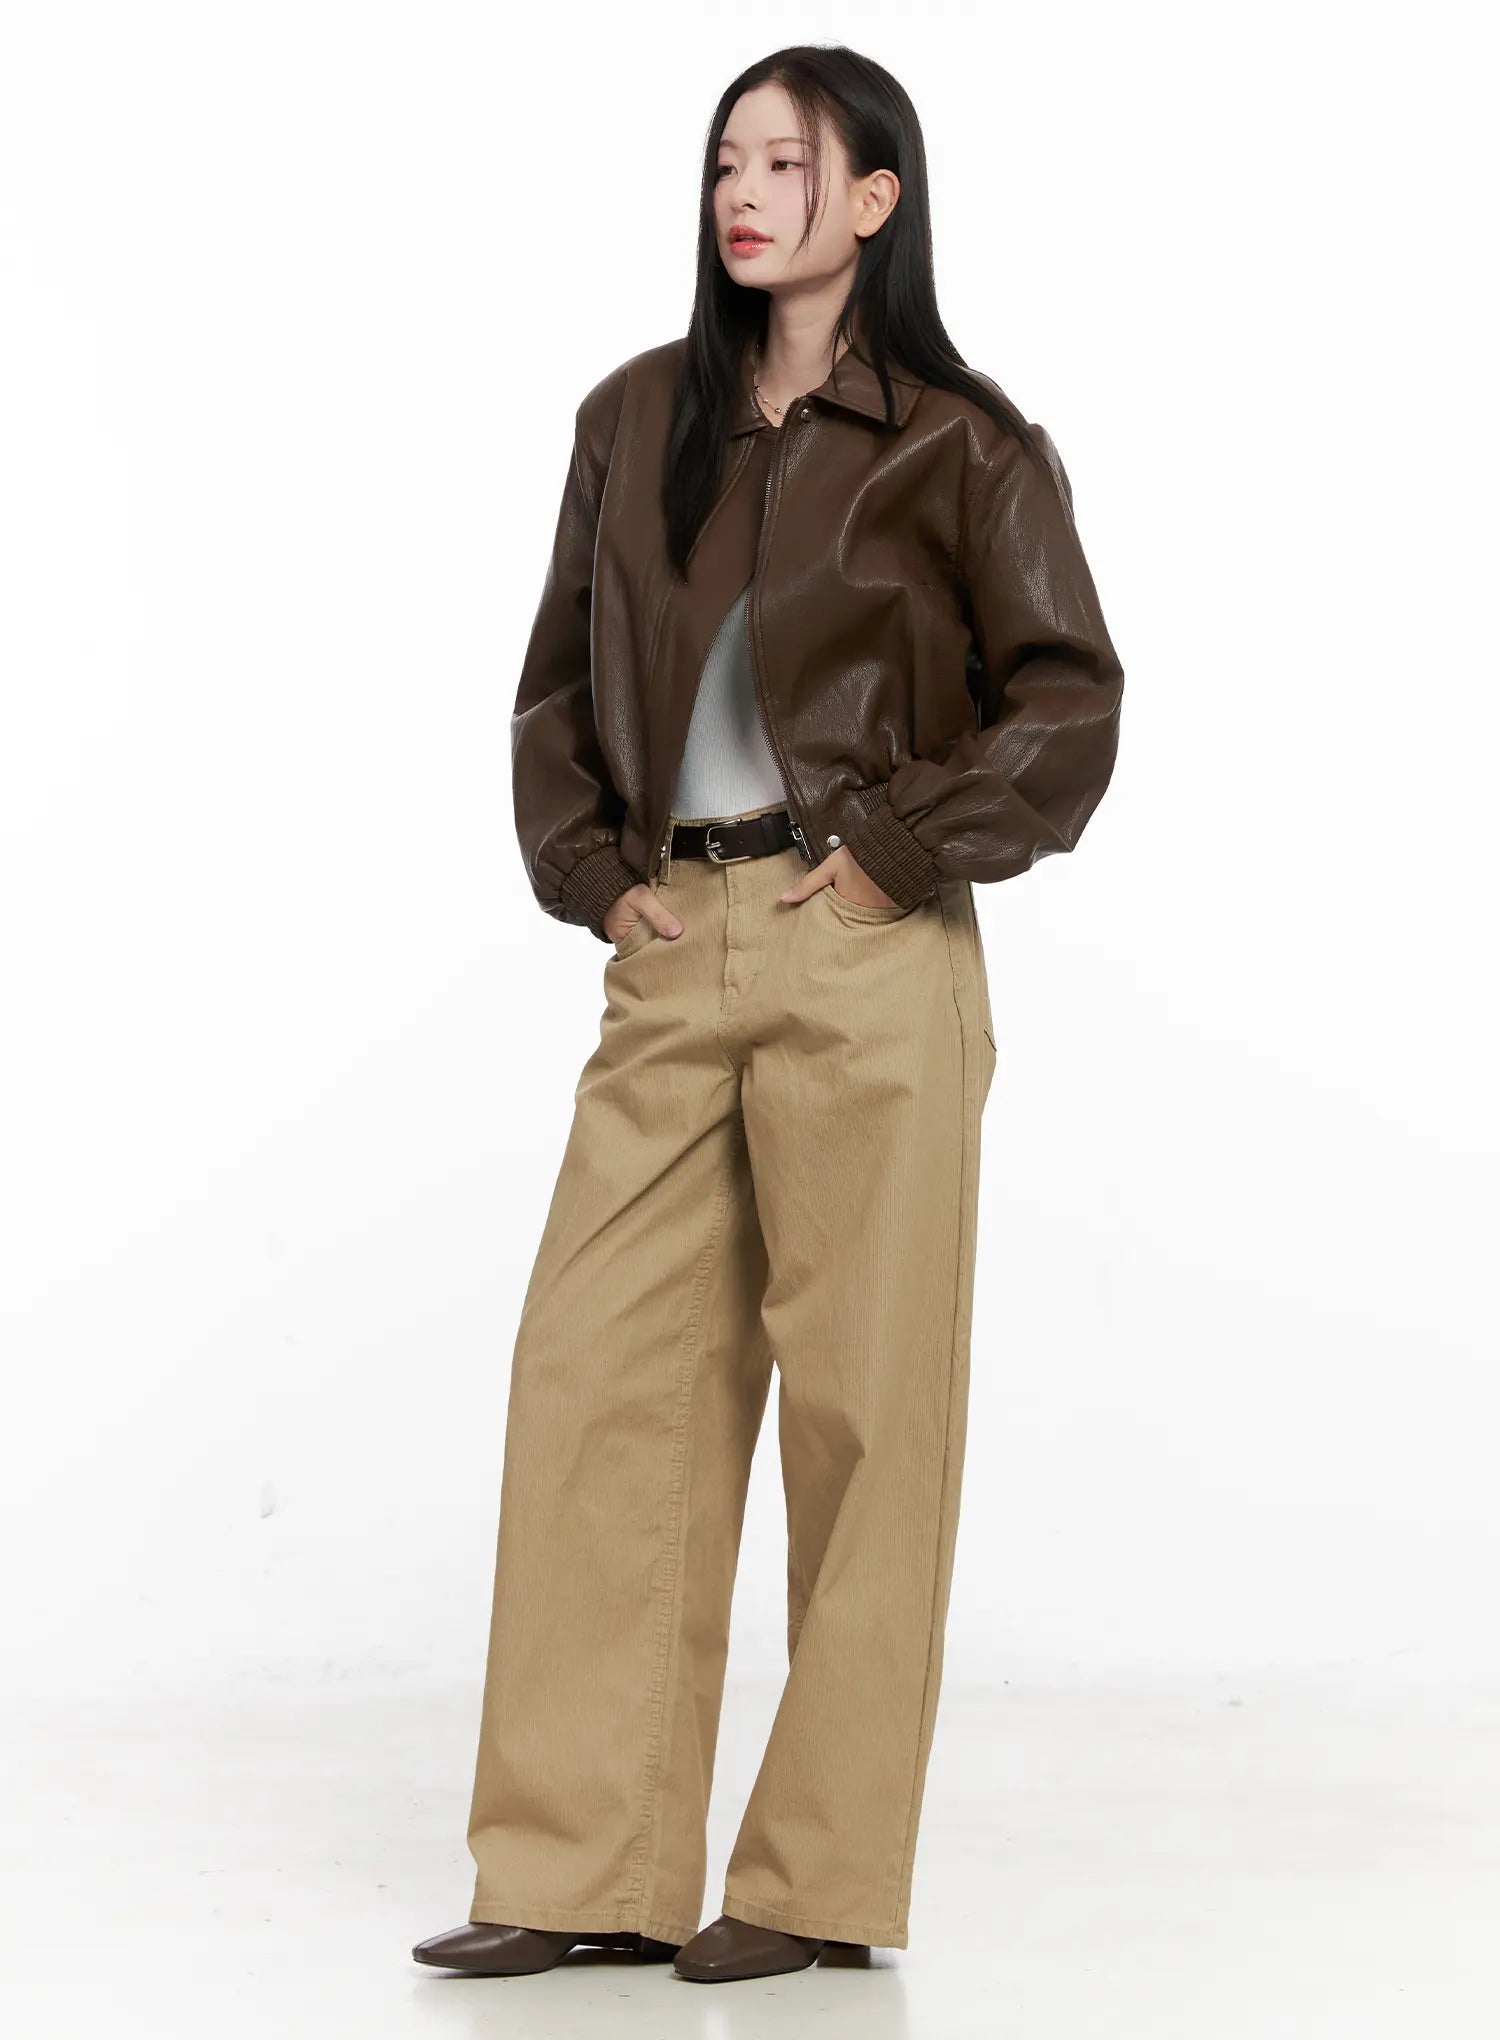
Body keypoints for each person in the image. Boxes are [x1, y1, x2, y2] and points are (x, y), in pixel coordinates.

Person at [413, 42, 1123, 1986]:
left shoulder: (963, 444)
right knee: (596, 1387)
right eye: (727, 159)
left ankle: (814, 1882)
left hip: (866, 945)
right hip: (675, 942)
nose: (743, 191)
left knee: (869, 1416)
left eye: (788, 162)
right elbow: (555, 687)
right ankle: (582, 1868)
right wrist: (593, 876)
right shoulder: (636, 418)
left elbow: (1069, 703)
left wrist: (897, 851)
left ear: (876, 199)